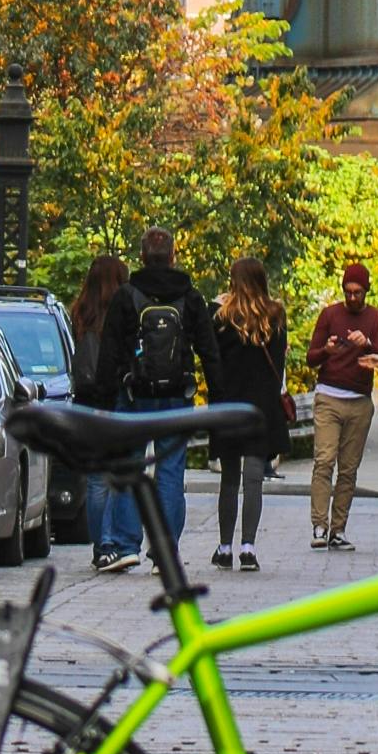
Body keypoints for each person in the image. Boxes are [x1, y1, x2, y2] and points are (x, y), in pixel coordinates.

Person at [92, 227, 222, 563]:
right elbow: (209, 350)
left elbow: (109, 351)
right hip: (177, 396)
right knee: (170, 471)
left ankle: (125, 545)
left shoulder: (126, 296)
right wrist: (217, 398)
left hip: (133, 395)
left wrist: (105, 400)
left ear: (141, 256)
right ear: (173, 255)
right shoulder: (190, 297)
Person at [208, 255, 291, 574]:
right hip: (261, 407)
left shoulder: (219, 314)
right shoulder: (275, 314)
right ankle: (248, 547)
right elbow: (279, 363)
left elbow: (212, 360)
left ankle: (224, 547)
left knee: (229, 479)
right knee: (254, 479)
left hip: (228, 405)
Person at [305, 261, 378, 551]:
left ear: (366, 291)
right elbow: (311, 357)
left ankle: (338, 529)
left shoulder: (377, 318)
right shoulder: (329, 314)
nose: (352, 298)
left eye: (358, 293)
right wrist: (327, 350)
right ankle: (319, 523)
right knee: (324, 460)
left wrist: (365, 343)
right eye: (348, 292)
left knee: (349, 468)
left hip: (359, 401)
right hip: (329, 395)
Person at [68, 253, 132, 571]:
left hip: (85, 402)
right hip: (115, 398)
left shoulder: (79, 313)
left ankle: (100, 545)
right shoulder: (122, 314)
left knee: (95, 480)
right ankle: (112, 542)